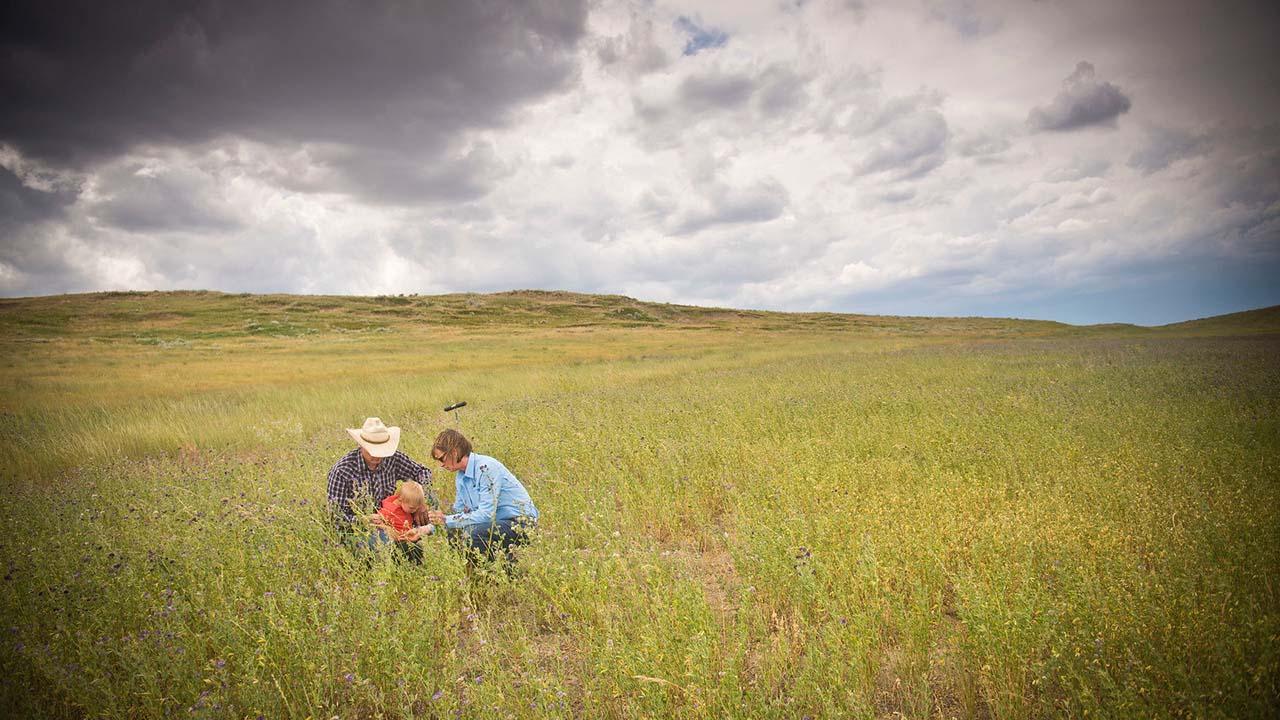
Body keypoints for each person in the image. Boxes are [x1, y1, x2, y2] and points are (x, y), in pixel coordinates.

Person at [326, 417, 439, 556]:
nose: (378, 455)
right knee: (392, 546)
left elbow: (422, 472)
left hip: (395, 515)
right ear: (361, 445)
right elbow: (336, 517)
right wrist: (366, 520)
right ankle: (408, 545)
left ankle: (427, 530)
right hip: (362, 528)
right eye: (372, 450)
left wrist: (421, 504)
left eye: (381, 450)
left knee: (432, 498)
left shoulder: (391, 457)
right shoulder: (342, 471)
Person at [425, 429, 538, 565]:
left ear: (454, 452)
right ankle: (476, 576)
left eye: (442, 459)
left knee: (475, 534)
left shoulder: (486, 468)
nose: (442, 465)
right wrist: (430, 528)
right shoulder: (461, 477)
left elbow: (486, 514)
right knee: (454, 532)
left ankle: (502, 573)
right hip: (496, 524)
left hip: (520, 523)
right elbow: (459, 512)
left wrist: (446, 520)